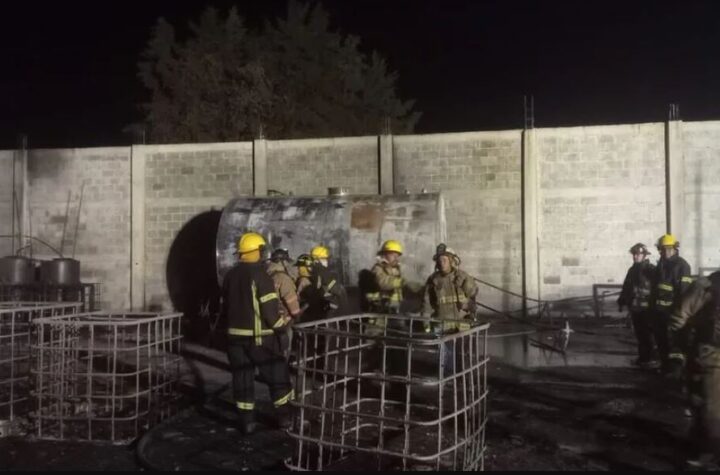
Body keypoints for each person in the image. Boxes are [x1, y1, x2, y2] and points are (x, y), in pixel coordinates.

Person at [221, 232, 294, 434]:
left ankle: (247, 422)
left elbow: (225, 308)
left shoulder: (230, 276)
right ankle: (285, 419)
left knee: (242, 379)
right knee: (277, 376)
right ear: (258, 251)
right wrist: (281, 329)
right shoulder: (261, 275)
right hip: (260, 339)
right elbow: (270, 312)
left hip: (234, 340)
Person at [668, 271, 720, 469]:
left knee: (707, 405)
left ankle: (707, 448)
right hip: (710, 355)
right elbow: (678, 319)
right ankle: (708, 450)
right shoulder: (706, 286)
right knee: (707, 405)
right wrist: (678, 353)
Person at [421, 244, 478, 375]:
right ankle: (447, 379)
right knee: (445, 355)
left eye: (445, 260)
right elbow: (427, 302)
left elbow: (473, 292)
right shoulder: (433, 280)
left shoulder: (462, 276)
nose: (442, 263)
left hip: (462, 323)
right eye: (439, 260)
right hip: (443, 324)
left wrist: (465, 283)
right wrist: (425, 321)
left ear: (452, 261)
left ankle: (464, 378)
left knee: (463, 354)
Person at [652, 233, 693, 374]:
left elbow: (684, 292)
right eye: (663, 249)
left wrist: (679, 312)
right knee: (661, 340)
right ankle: (665, 367)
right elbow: (655, 288)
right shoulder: (661, 264)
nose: (666, 252)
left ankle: (676, 371)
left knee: (676, 342)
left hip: (673, 311)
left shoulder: (682, 266)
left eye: (669, 249)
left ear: (675, 248)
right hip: (659, 311)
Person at [617, 243, 657, 368]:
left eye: (638, 254)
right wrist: (622, 300)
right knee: (640, 334)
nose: (635, 256)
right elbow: (627, 286)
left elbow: (656, 288)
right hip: (635, 308)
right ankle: (643, 358)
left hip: (647, 308)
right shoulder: (632, 270)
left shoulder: (650, 269)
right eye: (634, 254)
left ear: (644, 255)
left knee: (648, 334)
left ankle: (650, 359)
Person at [266, 248, 303, 357]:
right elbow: (291, 301)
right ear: (281, 262)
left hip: (269, 320)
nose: (288, 264)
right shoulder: (283, 278)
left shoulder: (267, 275)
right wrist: (297, 315)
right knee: (284, 350)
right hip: (284, 322)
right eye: (286, 261)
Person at [306, 245, 348, 320]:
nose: (326, 261)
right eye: (323, 259)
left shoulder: (315, 271)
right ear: (316, 260)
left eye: (326, 258)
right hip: (328, 308)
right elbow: (335, 289)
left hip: (321, 308)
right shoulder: (323, 271)